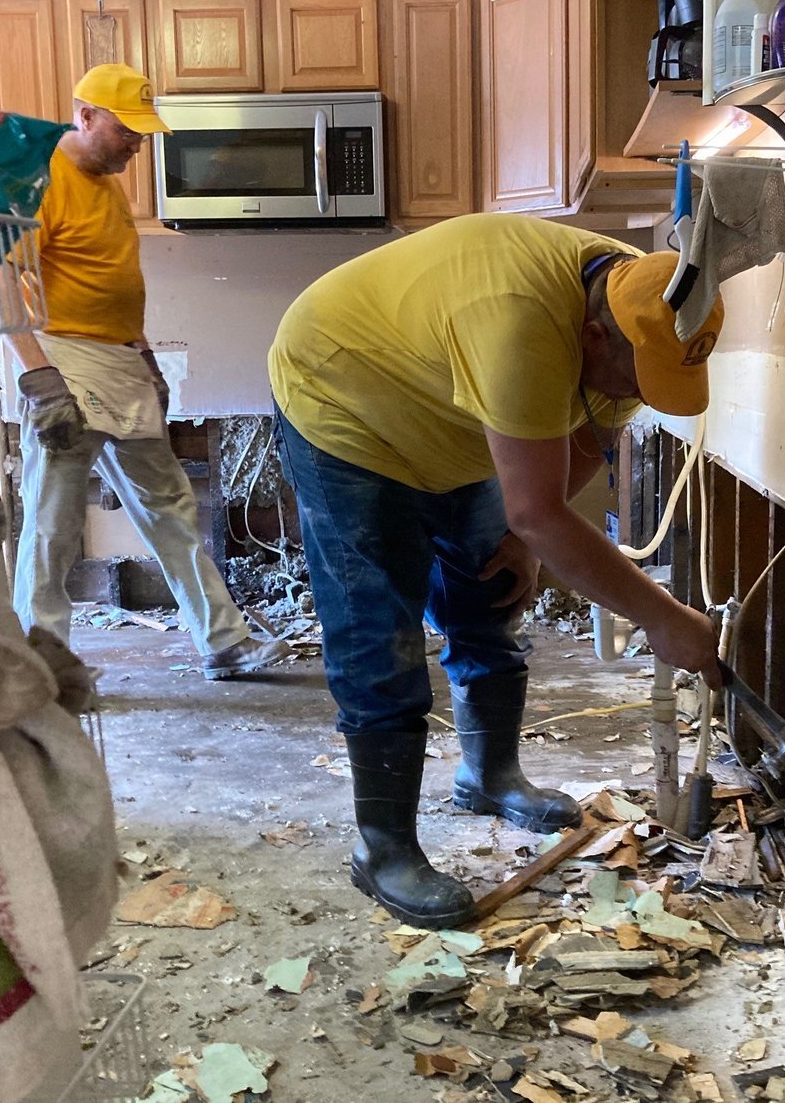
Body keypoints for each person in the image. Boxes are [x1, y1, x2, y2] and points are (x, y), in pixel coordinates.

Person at [269, 213, 726, 928]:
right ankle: (382, 846)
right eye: (635, 378)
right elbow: (536, 507)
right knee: (377, 631)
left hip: (450, 412)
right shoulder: (520, 325)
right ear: (593, 338)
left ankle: (488, 774)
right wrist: (663, 617)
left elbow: (587, 435)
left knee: (491, 585)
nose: (636, 390)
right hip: (346, 408)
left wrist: (528, 542)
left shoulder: (645, 303)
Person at [6, 64, 288, 680]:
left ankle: (224, 642)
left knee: (171, 508)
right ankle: (39, 666)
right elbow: (1, 283)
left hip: (119, 364)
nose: (138, 143)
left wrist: (145, 354)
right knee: (54, 523)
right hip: (68, 364)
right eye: (126, 129)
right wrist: (39, 379)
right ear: (85, 117)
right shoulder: (41, 181)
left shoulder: (106, 183)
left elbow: (109, 280)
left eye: (141, 131)